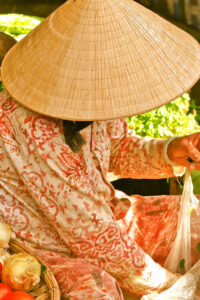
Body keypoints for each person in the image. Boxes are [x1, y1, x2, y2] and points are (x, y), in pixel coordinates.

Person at [0, 0, 200, 299]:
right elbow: (90, 234)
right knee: (98, 288)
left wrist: (169, 150)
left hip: (105, 216)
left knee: (194, 217)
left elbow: (118, 148)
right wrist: (174, 286)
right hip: (45, 247)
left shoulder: (96, 89)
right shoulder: (27, 124)